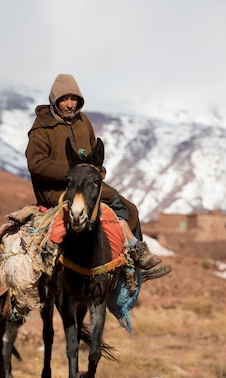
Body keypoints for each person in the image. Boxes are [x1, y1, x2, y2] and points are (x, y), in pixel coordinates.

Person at [25, 73, 171, 290]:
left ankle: (135, 259)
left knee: (128, 208)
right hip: (56, 189)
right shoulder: (42, 128)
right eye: (64, 99)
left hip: (86, 183)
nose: (69, 104)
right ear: (55, 101)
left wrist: (96, 171)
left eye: (73, 99)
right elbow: (35, 164)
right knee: (105, 204)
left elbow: (94, 151)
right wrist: (71, 173)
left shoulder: (83, 122)